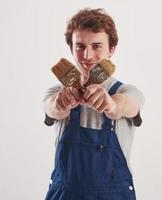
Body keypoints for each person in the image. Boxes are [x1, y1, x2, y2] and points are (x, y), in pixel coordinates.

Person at [43, 8, 145, 200]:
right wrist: (61, 103)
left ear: (112, 48)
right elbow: (52, 108)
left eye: (96, 46)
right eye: (80, 46)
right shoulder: (57, 92)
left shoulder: (127, 92)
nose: (87, 55)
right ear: (71, 48)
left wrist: (111, 104)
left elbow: (124, 106)